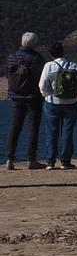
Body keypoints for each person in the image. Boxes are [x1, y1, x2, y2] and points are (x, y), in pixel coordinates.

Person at [38, 41, 77, 169]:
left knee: (52, 131)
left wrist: (47, 95)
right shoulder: (74, 66)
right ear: (63, 51)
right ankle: (65, 161)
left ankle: (50, 162)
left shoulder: (48, 66)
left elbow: (42, 85)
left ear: (50, 54)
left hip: (52, 103)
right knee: (67, 131)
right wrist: (75, 93)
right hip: (71, 103)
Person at [5, 32, 46, 170]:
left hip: (16, 96)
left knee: (15, 127)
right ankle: (31, 159)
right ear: (34, 44)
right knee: (33, 128)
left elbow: (7, 74)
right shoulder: (38, 58)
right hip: (33, 98)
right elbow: (41, 78)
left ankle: (9, 159)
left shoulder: (12, 57)